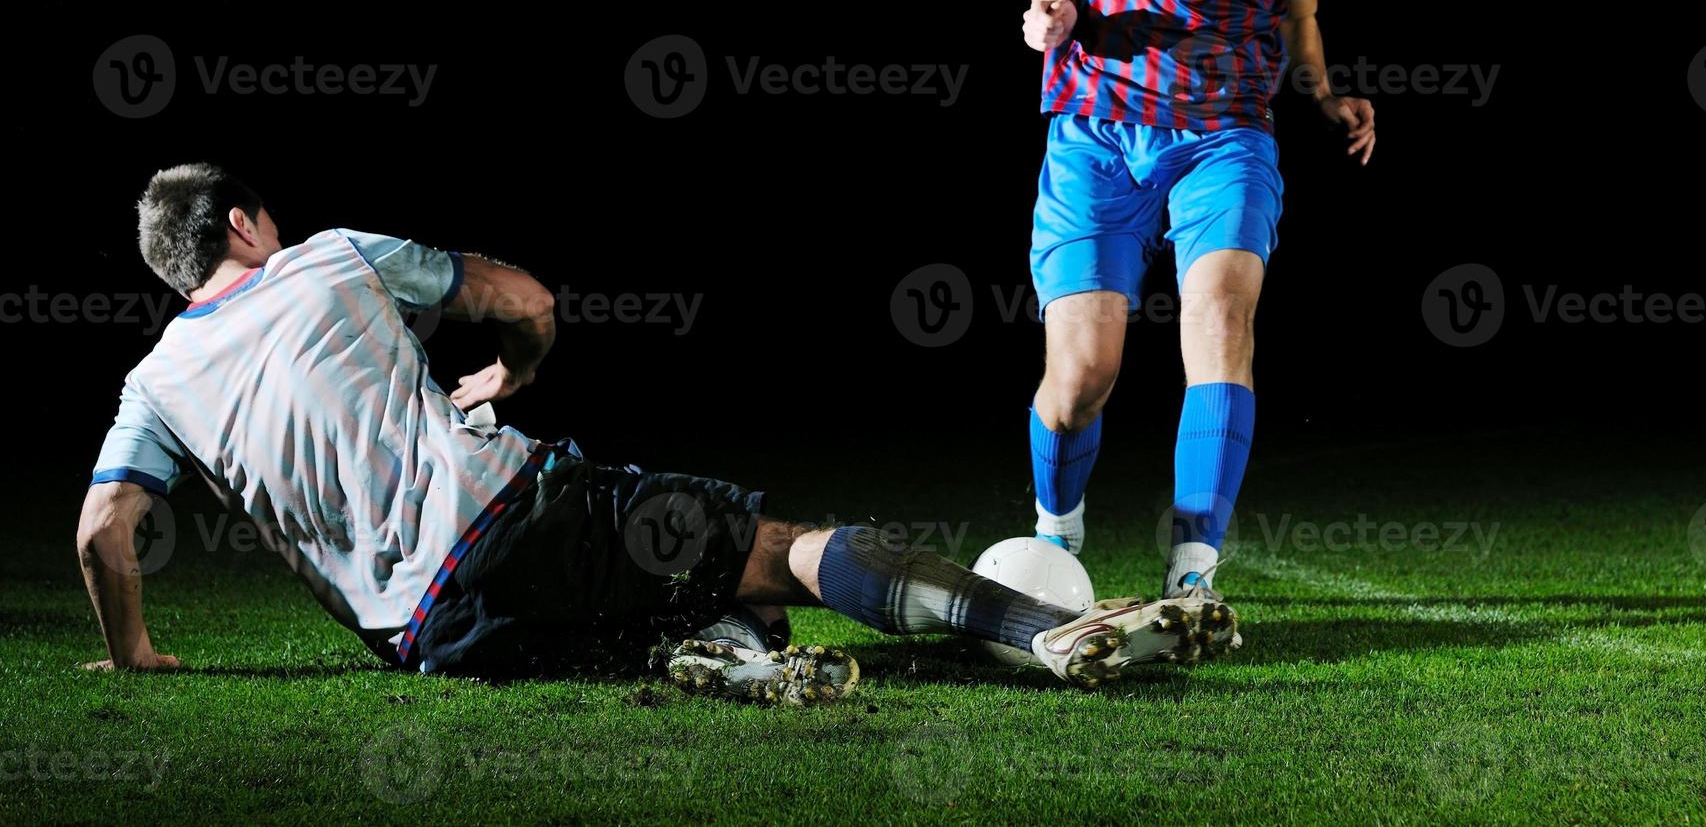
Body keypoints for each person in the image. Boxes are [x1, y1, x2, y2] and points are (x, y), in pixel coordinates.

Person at [78, 163, 1239, 706]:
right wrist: (510, 369)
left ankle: (724, 659)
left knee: (663, 607)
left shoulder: (156, 380)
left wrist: (131, 649)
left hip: (425, 637)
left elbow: (103, 527)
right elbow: (524, 295)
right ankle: (1049, 629)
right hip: (512, 512)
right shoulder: (323, 255)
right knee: (778, 545)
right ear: (241, 222)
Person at [1020, 0, 1375, 609]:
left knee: (1220, 318)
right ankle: (1056, 537)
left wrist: (1324, 97)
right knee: (1082, 375)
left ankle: (1193, 576)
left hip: (1225, 135)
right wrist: (1055, 10)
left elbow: (1300, 21)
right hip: (1097, 130)